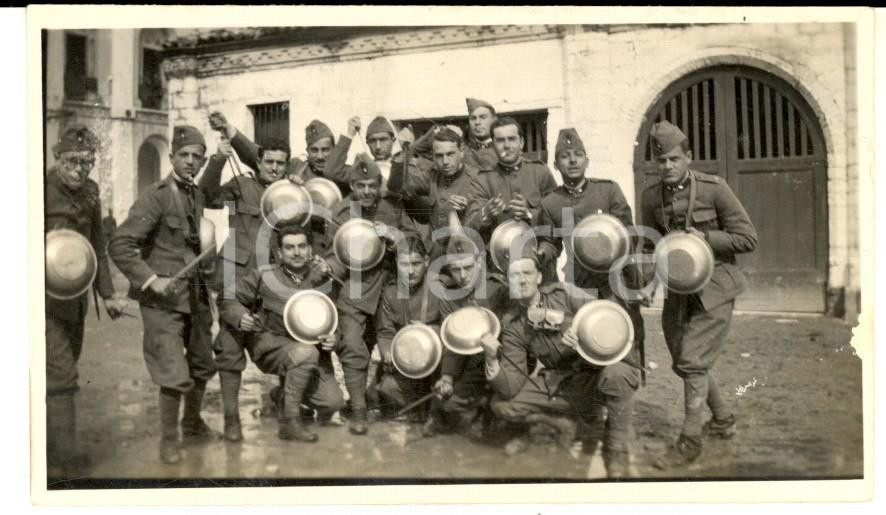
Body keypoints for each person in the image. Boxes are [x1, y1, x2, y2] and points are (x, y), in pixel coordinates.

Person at [639, 121, 758, 469]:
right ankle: (723, 420)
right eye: (661, 161)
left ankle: (689, 443)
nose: (667, 166)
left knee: (692, 361)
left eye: (674, 159)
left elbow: (747, 238)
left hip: (716, 287)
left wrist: (707, 238)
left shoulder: (714, 189)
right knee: (685, 361)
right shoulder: (650, 197)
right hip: (678, 291)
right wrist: (646, 282)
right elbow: (648, 245)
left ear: (688, 157)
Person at [110, 125, 219, 465]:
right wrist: (150, 279)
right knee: (172, 370)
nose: (190, 161)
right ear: (171, 157)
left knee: (201, 363)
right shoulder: (155, 196)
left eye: (197, 156)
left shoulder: (196, 194)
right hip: (163, 301)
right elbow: (120, 243)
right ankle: (169, 441)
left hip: (194, 296)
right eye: (183, 155)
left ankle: (192, 423)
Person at [480, 251, 642, 478]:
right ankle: (565, 423)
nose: (522, 280)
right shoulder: (514, 324)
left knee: (619, 374)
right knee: (502, 404)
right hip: (563, 384)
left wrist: (584, 335)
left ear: (538, 277)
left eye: (527, 273)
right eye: (515, 275)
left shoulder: (566, 295)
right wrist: (491, 358)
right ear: (508, 281)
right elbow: (510, 386)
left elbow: (610, 321)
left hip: (596, 375)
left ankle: (617, 447)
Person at [197, 131, 292, 442]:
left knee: (283, 335)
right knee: (229, 347)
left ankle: (285, 406)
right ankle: (231, 419)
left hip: (271, 280)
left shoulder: (290, 192)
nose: (274, 168)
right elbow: (208, 194)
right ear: (258, 162)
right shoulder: (241, 186)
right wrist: (218, 159)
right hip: (235, 274)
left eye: (281, 163)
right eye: (269, 161)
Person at [536, 127, 646, 389]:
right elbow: (551, 244)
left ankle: (622, 393)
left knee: (621, 338)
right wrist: (540, 253)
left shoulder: (607, 191)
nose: (572, 161)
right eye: (565, 157)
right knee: (587, 340)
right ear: (556, 165)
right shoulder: (551, 203)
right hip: (579, 285)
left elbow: (629, 234)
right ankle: (595, 401)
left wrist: (610, 250)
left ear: (587, 160)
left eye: (578, 155)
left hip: (615, 283)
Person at [45, 124, 126, 478]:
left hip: (76, 301)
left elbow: (97, 247)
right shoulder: (40, 189)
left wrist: (108, 295)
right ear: (57, 159)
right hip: (43, 302)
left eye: (87, 162)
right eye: (73, 162)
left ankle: (48, 447)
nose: (80, 169)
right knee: (62, 374)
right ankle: (64, 459)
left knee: (58, 373)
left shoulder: (91, 192)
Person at [322, 153, 419, 435]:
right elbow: (334, 254)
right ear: (352, 186)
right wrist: (328, 268)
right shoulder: (341, 213)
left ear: (380, 185)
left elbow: (411, 243)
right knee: (353, 346)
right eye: (360, 186)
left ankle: (380, 396)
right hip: (354, 287)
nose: (366, 191)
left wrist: (392, 235)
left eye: (372, 185)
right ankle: (359, 410)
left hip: (388, 284)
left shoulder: (390, 207)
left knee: (391, 342)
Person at [220, 224, 342, 442]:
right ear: (279, 252)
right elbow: (228, 297)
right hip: (272, 346)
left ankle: (281, 397)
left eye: (302, 246)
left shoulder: (321, 280)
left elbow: (332, 318)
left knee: (332, 402)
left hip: (309, 354)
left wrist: (334, 339)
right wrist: (240, 316)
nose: (296, 252)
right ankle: (289, 422)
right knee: (305, 353)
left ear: (310, 249)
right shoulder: (265, 276)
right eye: (289, 247)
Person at [421, 231, 509, 439]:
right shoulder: (449, 296)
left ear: (480, 262)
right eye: (455, 269)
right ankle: (477, 403)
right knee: (446, 401)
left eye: (468, 267)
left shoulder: (499, 290)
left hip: (502, 360)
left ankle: (489, 406)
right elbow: (452, 343)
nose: (462, 276)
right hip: (468, 362)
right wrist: (447, 377)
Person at [464, 116, 558, 278]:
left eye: (512, 139)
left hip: (539, 267)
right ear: (493, 145)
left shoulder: (540, 173)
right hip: (499, 271)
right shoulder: (482, 180)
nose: (506, 145)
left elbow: (558, 221)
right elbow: (469, 229)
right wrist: (486, 213)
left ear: (521, 142)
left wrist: (530, 214)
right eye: (500, 140)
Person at [374, 235, 442, 422]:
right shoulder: (391, 292)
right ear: (397, 262)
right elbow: (385, 331)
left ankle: (430, 409)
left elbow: (450, 327)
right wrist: (387, 352)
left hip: (438, 362)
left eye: (416, 264)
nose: (410, 271)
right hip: (407, 362)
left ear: (426, 261)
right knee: (387, 389)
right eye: (404, 264)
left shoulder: (440, 288)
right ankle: (415, 409)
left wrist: (431, 331)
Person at [208, 111, 355, 196]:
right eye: (314, 150)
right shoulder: (297, 167)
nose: (320, 156)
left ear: (335, 149)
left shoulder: (345, 173)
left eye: (325, 150)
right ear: (307, 151)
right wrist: (229, 129)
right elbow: (256, 155)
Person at [389, 127, 478, 258]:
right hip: (437, 257)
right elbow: (397, 186)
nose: (445, 162)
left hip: (466, 256)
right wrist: (402, 152)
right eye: (439, 156)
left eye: (450, 154)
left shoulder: (477, 179)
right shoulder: (432, 176)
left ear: (462, 151)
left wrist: (469, 208)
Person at [463, 97, 498, 171]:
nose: (477, 122)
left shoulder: (501, 149)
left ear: (494, 120)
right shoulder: (465, 151)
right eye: (473, 118)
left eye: (483, 117)